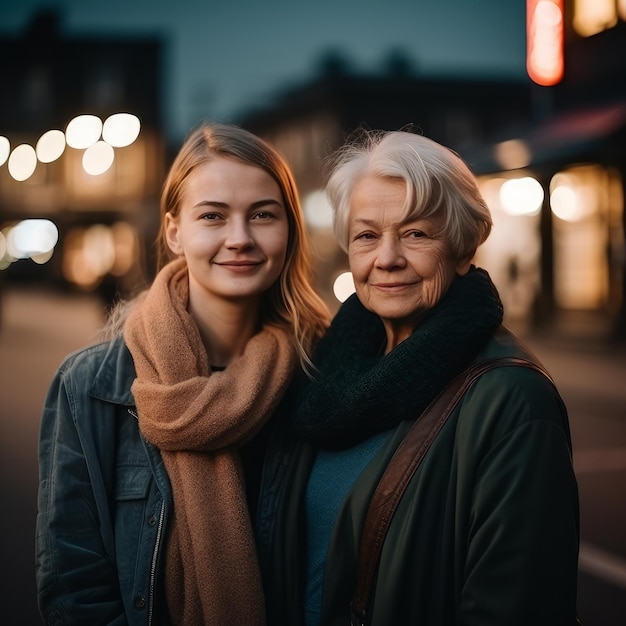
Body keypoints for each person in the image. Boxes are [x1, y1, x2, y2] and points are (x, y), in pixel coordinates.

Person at [255, 129, 580, 625]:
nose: (387, 258)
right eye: (366, 236)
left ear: (462, 248)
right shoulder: (321, 372)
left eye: (416, 233)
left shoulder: (512, 398)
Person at [35, 122, 330, 626]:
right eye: (213, 216)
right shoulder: (88, 388)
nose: (239, 238)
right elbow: (73, 585)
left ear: (289, 229)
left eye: (262, 215)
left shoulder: (321, 374)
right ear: (174, 231)